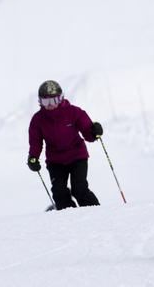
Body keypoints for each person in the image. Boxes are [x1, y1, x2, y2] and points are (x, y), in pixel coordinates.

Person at [27, 80, 103, 210]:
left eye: (54, 100)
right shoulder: (38, 120)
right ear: (40, 102)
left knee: (79, 189)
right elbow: (36, 142)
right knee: (59, 192)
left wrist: (94, 131)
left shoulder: (74, 112)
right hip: (55, 161)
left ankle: (97, 213)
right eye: (46, 102)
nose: (50, 105)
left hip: (77, 156)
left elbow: (88, 133)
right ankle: (70, 218)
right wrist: (33, 157)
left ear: (61, 98)